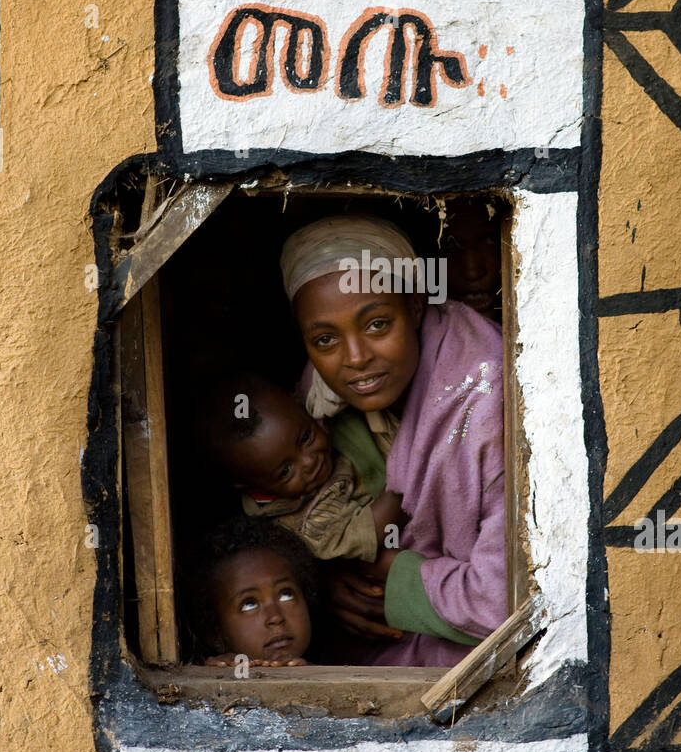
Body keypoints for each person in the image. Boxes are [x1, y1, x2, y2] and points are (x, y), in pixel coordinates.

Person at [280, 214, 506, 667]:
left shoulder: (488, 395)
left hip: (468, 677)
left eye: (378, 324)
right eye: (325, 339)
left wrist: (388, 572)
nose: (356, 358)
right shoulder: (316, 400)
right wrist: (322, 585)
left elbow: (502, 601)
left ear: (417, 307)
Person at [201, 370, 405, 563]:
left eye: (306, 437)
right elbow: (373, 531)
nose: (309, 462)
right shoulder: (307, 523)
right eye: (285, 471)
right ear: (256, 489)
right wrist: (406, 477)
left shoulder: (310, 405)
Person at [187, 516, 319, 667]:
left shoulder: (329, 673)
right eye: (249, 604)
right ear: (215, 636)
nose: (275, 617)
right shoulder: (221, 676)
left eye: (286, 594)